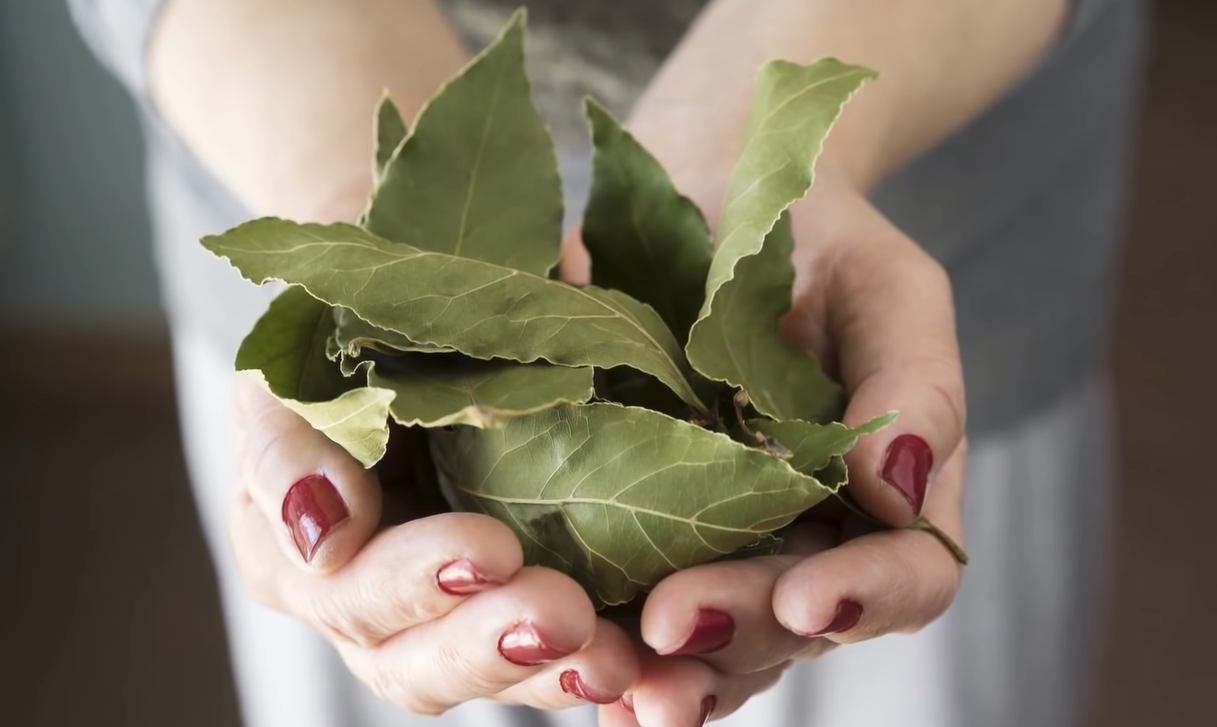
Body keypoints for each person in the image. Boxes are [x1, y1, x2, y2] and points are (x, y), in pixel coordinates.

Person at [69, 0, 1146, 725]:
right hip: (286, 102)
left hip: (903, 200)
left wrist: (771, 126)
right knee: (397, 618)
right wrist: (342, 207)